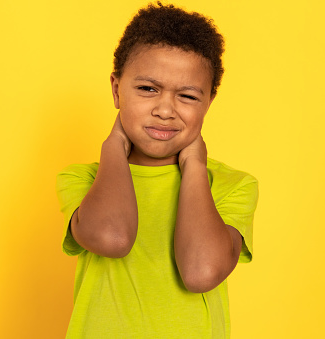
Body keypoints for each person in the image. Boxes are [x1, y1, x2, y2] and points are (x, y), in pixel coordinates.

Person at [56, 2, 259, 338]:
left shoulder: (233, 185)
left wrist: (194, 164)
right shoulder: (83, 179)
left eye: (188, 96)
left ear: (208, 101)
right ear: (117, 89)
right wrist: (114, 146)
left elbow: (199, 272)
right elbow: (113, 238)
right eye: (148, 89)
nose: (165, 110)